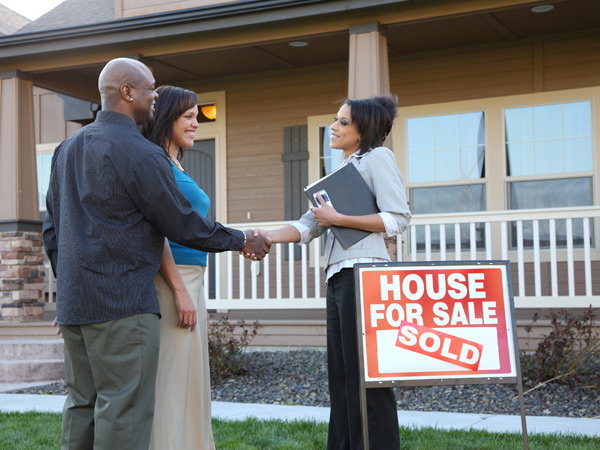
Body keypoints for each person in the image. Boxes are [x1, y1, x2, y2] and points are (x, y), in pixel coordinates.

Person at [42, 58, 270, 450]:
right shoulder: (139, 153)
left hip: (77, 305)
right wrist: (242, 239)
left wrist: (70, 287)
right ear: (127, 93)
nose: (154, 96)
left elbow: (52, 230)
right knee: (123, 412)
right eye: (149, 88)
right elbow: (182, 224)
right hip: (124, 306)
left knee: (82, 405)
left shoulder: (68, 148)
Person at [252, 95, 411, 449]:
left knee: (366, 375)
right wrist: (266, 237)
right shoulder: (341, 170)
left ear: (363, 130)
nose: (333, 127)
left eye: (342, 122)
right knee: (341, 376)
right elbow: (310, 225)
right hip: (339, 277)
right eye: (334, 120)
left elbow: (398, 218)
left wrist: (339, 218)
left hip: (365, 275)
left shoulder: (377, 158)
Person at [140, 85, 215, 450]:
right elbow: (158, 232)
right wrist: (180, 290)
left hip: (193, 280)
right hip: (172, 282)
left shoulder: (175, 162)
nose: (196, 123)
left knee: (191, 379)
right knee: (171, 380)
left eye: (196, 115)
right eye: (188, 116)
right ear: (167, 117)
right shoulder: (155, 163)